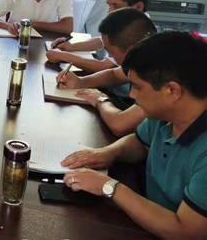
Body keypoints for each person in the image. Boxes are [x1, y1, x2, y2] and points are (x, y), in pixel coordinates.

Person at [61, 32, 207, 240]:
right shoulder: (166, 113)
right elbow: (140, 143)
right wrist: (108, 153)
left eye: (137, 87)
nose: (132, 95)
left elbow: (184, 231)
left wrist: (108, 186)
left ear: (172, 91)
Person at [56, 8, 157, 136]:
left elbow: (120, 125)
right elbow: (113, 75)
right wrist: (81, 81)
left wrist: (100, 100)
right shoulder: (142, 57)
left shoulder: (158, 74)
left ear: (131, 50)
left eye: (111, 51)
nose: (109, 55)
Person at [47, 0, 149, 72]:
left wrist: (63, 56)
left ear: (138, 7)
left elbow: (104, 67)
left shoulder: (139, 32)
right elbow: (102, 41)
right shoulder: (131, 22)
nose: (109, 12)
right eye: (109, 5)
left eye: (116, 7)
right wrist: (70, 47)